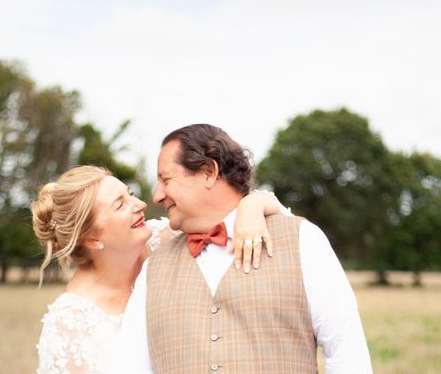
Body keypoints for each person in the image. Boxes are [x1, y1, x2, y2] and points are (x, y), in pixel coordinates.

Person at [120, 124, 373, 373]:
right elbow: (131, 367)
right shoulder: (154, 267)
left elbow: (347, 354)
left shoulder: (303, 239)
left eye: (166, 180)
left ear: (209, 172)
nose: (156, 196)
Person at [31, 165, 285, 374]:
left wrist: (252, 206)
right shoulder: (69, 323)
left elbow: (230, 211)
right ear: (91, 239)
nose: (140, 203)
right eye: (119, 205)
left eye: (129, 193)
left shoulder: (165, 238)